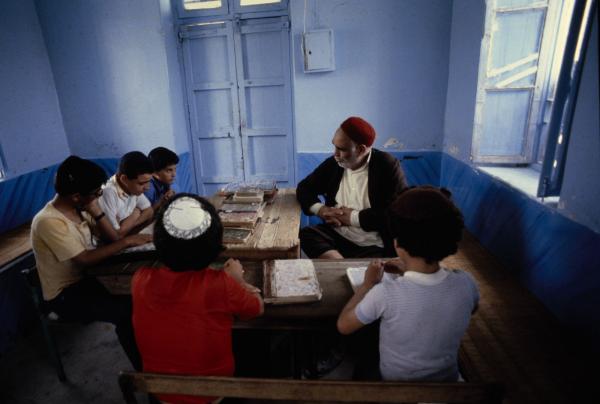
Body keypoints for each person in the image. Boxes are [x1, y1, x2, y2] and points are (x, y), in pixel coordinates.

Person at [337, 186, 480, 381]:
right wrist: (407, 270)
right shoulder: (467, 284)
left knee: (363, 359)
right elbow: (469, 307)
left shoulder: (385, 293)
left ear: (397, 243)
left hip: (399, 388)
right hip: (449, 385)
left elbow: (344, 326)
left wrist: (367, 285)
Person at [132, 194, 264, 404]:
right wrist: (239, 281)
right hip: (211, 393)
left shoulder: (140, 279)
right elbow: (257, 309)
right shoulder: (220, 284)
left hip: (159, 392)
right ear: (215, 246)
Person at [30, 156, 152, 370]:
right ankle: (145, 372)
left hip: (90, 277)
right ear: (77, 196)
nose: (99, 196)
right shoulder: (49, 221)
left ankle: (153, 355)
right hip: (65, 294)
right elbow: (85, 258)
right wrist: (128, 242)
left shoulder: (81, 208)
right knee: (126, 314)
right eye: (96, 193)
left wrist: (97, 211)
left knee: (142, 296)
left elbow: (112, 237)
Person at [297, 116, 407, 259]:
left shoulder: (387, 166)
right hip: (337, 233)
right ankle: (341, 265)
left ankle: (343, 266)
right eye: (334, 146)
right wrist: (321, 210)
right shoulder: (335, 163)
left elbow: (396, 214)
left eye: (341, 149)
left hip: (372, 243)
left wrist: (353, 218)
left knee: (376, 261)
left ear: (361, 149)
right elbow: (304, 188)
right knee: (306, 235)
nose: (335, 154)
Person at [98, 151, 154, 238]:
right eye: (141, 183)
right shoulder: (108, 192)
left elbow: (149, 211)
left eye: (149, 181)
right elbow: (114, 236)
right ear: (124, 179)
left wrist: (127, 223)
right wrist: (136, 213)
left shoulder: (132, 187)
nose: (147, 188)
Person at [145, 146, 179, 211]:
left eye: (175, 169)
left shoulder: (164, 182)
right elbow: (145, 216)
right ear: (155, 173)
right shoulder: (149, 188)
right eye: (169, 170)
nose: (174, 174)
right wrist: (161, 201)